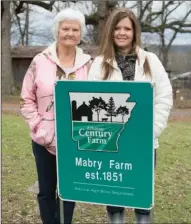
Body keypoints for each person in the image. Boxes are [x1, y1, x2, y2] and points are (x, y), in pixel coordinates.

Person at [88, 8, 173, 224]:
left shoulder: (150, 61)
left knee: (141, 193)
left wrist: (149, 132)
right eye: (117, 28)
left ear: (135, 32)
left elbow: (164, 97)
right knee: (115, 194)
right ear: (110, 31)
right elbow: (91, 100)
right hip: (112, 142)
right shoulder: (99, 64)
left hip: (144, 142)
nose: (122, 32)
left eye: (127, 28)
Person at [20, 8, 92, 224]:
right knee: (46, 190)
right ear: (57, 31)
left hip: (76, 140)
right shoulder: (40, 61)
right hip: (43, 139)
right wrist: (38, 128)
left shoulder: (90, 64)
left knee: (69, 189)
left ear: (81, 34)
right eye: (65, 28)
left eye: (75, 29)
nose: (70, 33)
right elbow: (26, 98)